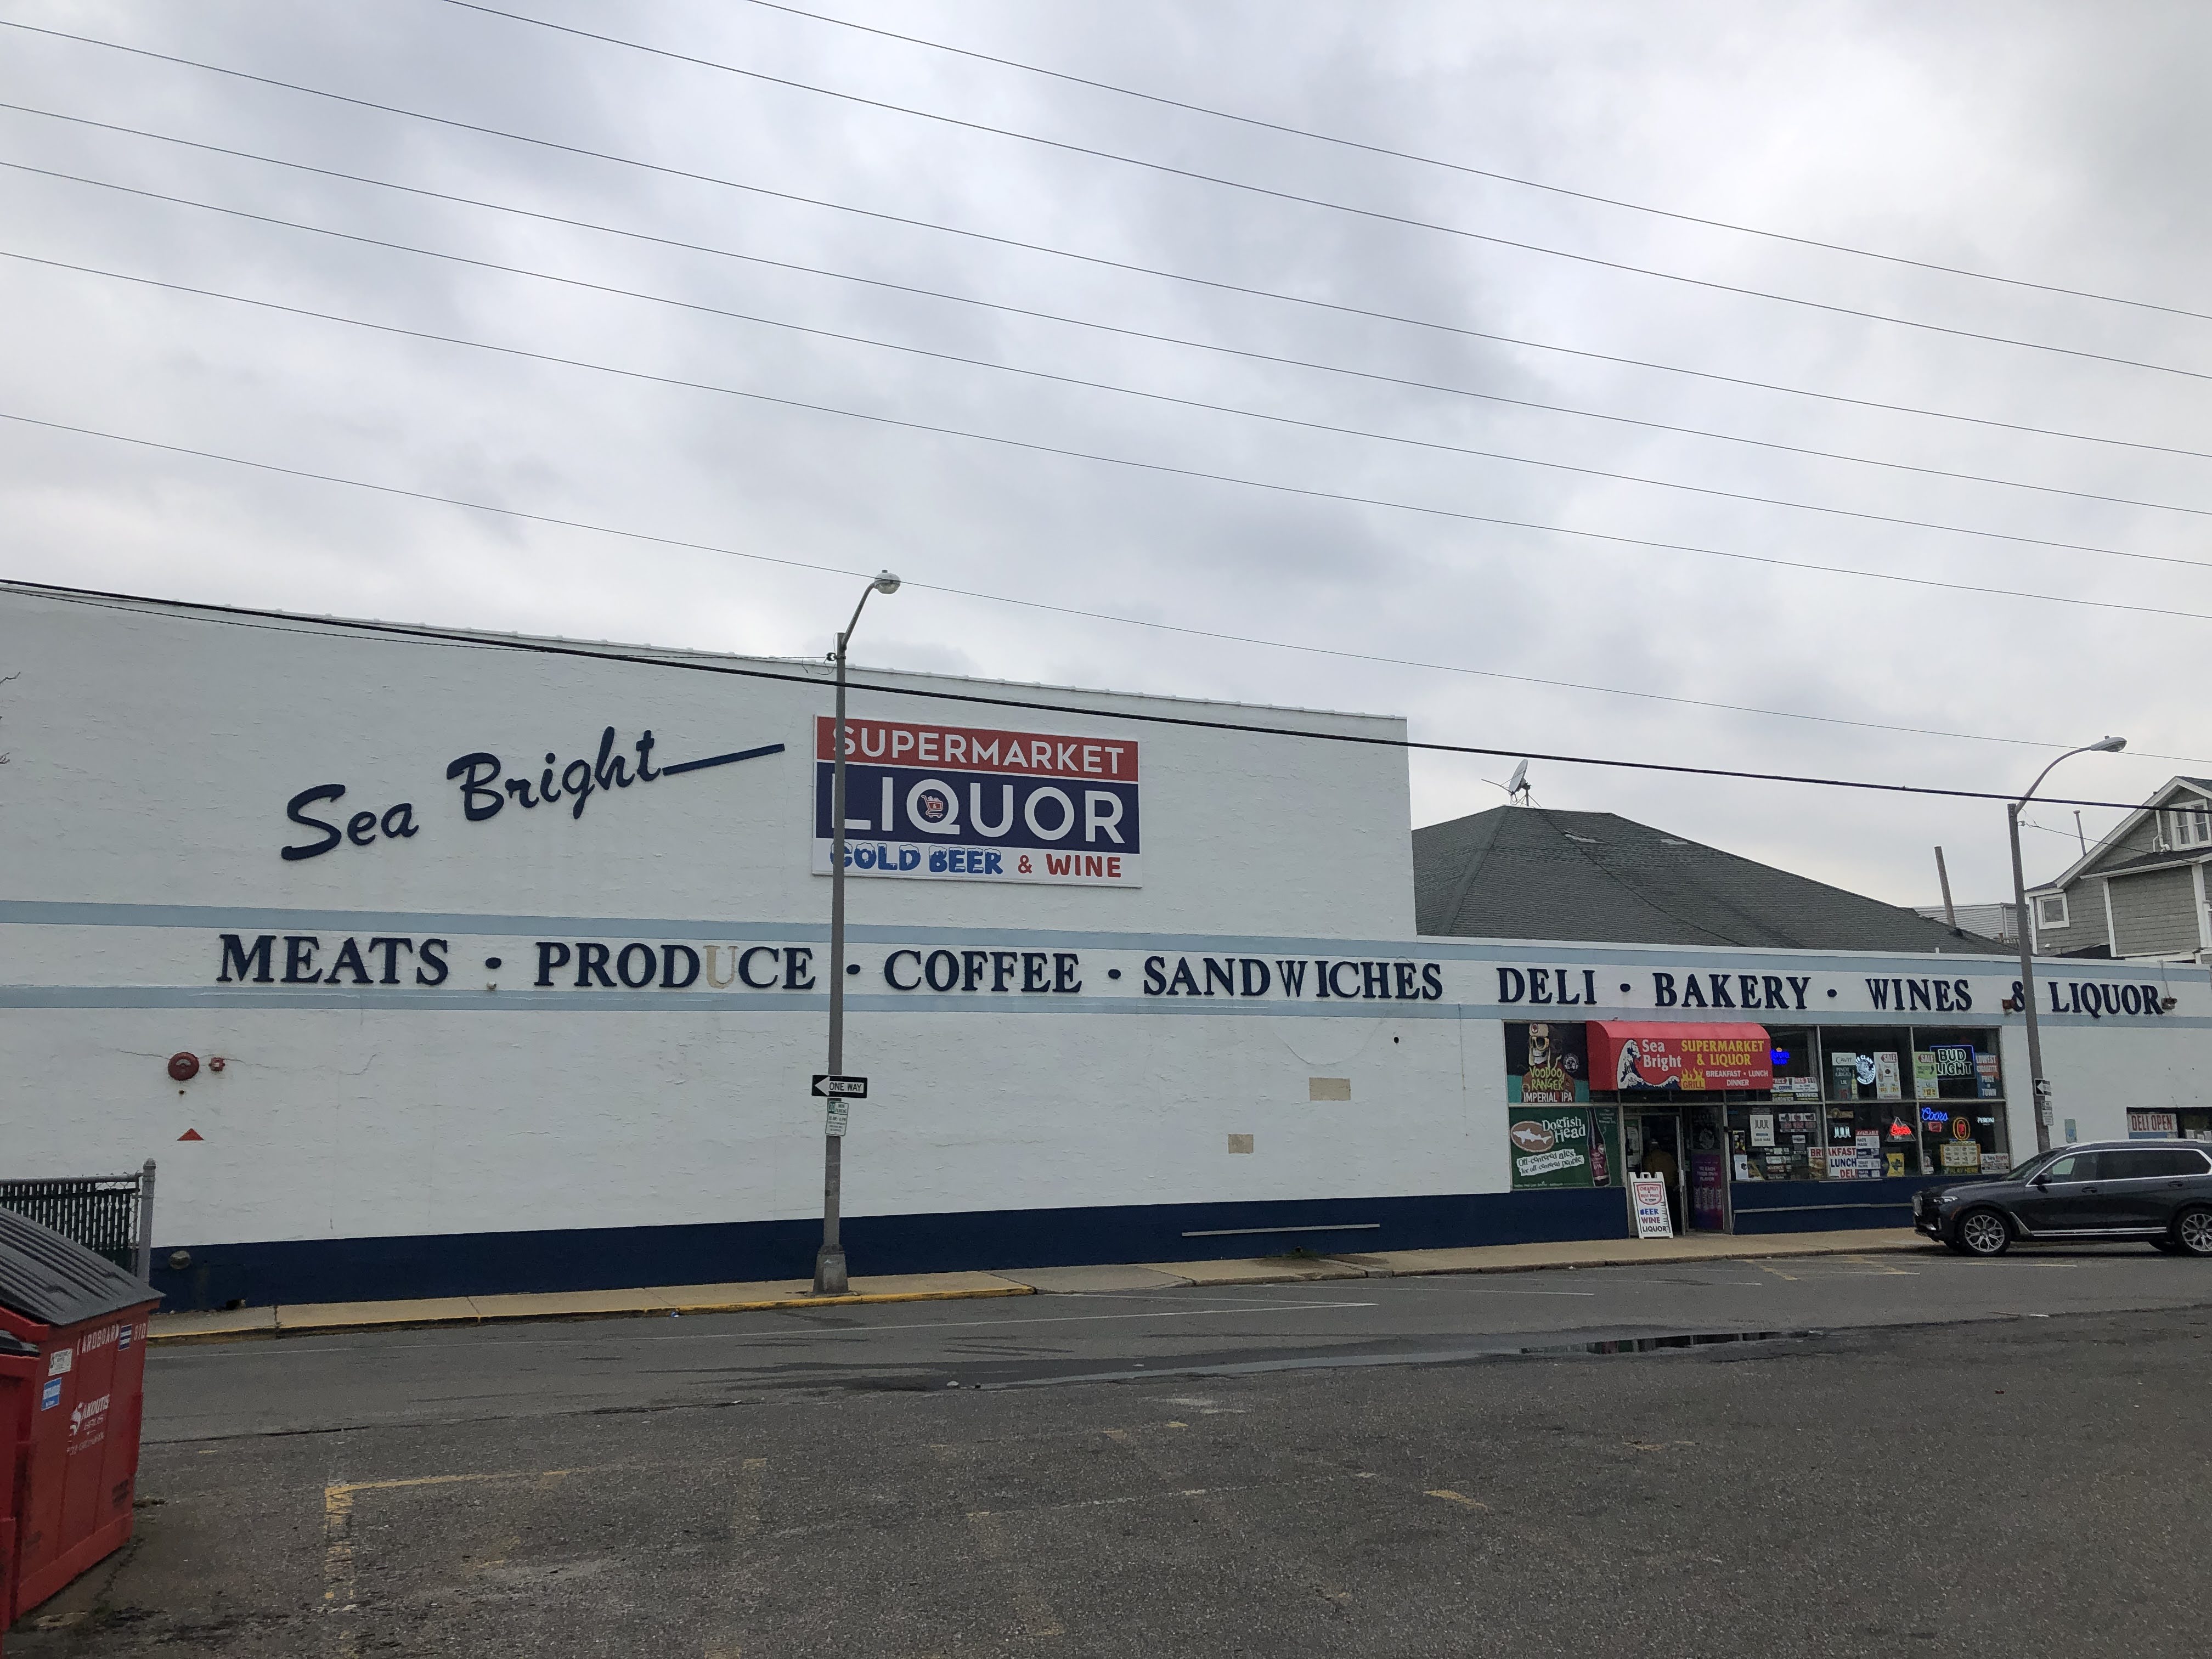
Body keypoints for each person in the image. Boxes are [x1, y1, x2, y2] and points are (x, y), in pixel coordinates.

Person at [1637, 1134, 1681, 1234]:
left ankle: (1664, 1229)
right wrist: (1676, 1184)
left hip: (1657, 1188)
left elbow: (1649, 1172)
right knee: (1672, 1209)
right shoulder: (1668, 1156)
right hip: (1670, 1186)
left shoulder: (1649, 1158)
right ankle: (1674, 1228)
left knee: (1662, 1211)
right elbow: (1675, 1171)